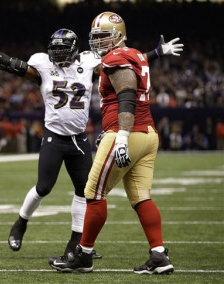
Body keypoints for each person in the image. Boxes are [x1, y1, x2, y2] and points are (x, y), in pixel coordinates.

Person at [0, 25, 183, 264]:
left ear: (73, 50)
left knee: (84, 191)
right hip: (54, 136)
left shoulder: (89, 64)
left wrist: (157, 52)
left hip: (80, 139)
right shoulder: (43, 66)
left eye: (62, 50)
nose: (57, 54)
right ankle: (21, 222)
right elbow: (10, 64)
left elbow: (124, 65)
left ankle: (76, 244)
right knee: (44, 186)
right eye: (55, 49)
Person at [50, 11, 183, 274]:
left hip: (128, 133)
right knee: (141, 197)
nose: (98, 42)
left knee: (93, 193)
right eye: (96, 37)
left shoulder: (117, 57)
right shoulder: (135, 55)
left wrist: (120, 136)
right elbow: (142, 60)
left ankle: (84, 255)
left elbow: (127, 96)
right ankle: (159, 255)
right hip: (148, 134)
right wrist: (158, 51)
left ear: (119, 36)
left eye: (104, 37)